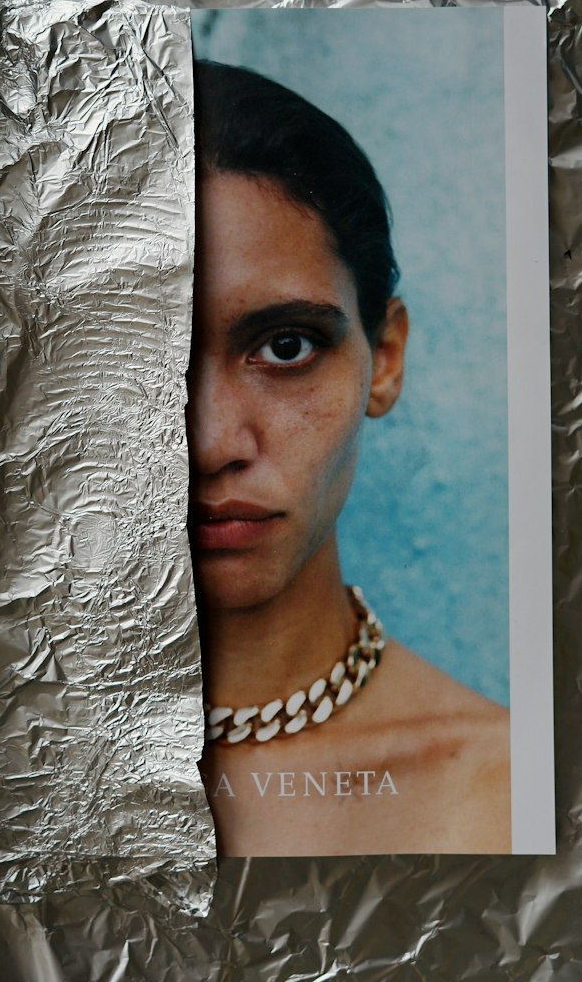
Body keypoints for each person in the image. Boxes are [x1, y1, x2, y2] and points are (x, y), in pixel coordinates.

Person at [189, 60, 511, 855]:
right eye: (139, 352)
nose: (212, 444)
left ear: (386, 357)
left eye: (286, 346)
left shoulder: (507, 795)